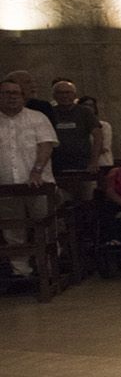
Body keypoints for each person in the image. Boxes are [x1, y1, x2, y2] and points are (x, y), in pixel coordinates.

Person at [0, 77, 57, 278]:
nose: (12, 97)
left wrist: (37, 170)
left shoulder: (37, 118)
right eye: (7, 93)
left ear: (23, 96)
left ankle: (50, 268)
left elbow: (46, 145)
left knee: (45, 224)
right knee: (13, 230)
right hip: (6, 186)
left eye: (16, 93)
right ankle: (21, 271)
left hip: (37, 183)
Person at [46, 78, 102, 186]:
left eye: (68, 92)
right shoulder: (49, 113)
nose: (64, 96)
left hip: (83, 165)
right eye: (60, 93)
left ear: (74, 95)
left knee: (85, 198)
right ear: (54, 96)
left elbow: (98, 135)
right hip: (57, 166)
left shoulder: (85, 112)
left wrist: (94, 161)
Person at [77, 95, 114, 171]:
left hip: (102, 163)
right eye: (85, 105)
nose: (88, 108)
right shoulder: (78, 126)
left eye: (91, 105)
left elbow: (104, 147)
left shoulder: (104, 126)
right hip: (82, 164)